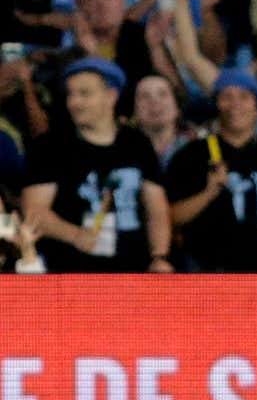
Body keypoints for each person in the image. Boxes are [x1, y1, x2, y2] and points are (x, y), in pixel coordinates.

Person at [20, 58, 172, 273]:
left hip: (133, 273)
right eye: (70, 94)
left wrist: (159, 256)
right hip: (69, 275)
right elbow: (34, 211)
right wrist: (75, 235)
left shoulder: (138, 144)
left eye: (84, 94)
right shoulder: (49, 146)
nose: (74, 102)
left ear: (111, 96)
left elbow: (156, 209)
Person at [167, 70, 257, 271]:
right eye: (226, 97)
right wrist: (209, 192)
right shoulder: (192, 154)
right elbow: (171, 218)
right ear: (216, 105)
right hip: (209, 275)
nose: (235, 104)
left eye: (244, 97)